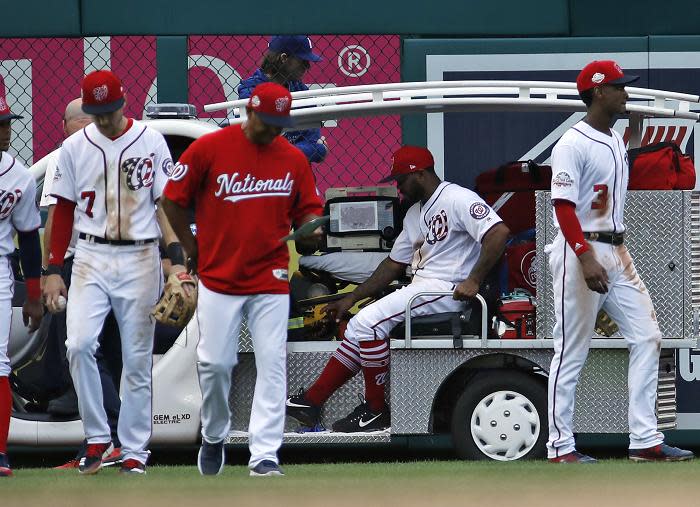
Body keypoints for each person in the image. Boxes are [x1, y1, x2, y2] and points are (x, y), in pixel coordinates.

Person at [161, 82, 324, 477]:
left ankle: (264, 454)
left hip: (270, 276)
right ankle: (215, 434)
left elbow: (308, 212)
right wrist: (189, 249)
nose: (274, 130)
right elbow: (172, 199)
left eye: (280, 124)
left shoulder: (291, 158)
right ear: (250, 113)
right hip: (219, 276)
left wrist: (310, 228)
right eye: (268, 122)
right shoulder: (211, 148)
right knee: (216, 363)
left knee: (272, 362)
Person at [286, 146, 510, 432]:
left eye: (401, 179)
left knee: (366, 324)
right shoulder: (415, 213)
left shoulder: (458, 198)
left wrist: (474, 280)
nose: (398, 186)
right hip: (424, 288)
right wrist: (351, 298)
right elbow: (392, 265)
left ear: (419, 174)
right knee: (357, 328)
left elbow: (498, 232)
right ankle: (312, 401)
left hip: (448, 290)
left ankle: (376, 411)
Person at [545, 60, 694, 463]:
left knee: (647, 336)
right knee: (571, 351)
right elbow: (562, 207)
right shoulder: (571, 143)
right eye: (618, 87)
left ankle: (645, 441)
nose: (625, 92)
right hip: (581, 250)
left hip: (616, 249)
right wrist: (584, 256)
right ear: (597, 93)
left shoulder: (611, 137)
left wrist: (638, 129)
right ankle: (560, 447)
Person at [43, 70, 180, 475]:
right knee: (79, 344)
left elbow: (165, 204)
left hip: (140, 257)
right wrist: (53, 268)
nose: (103, 118)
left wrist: (176, 259)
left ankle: (135, 450)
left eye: (109, 110)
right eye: (96, 111)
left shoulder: (151, 141)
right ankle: (98, 438)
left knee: (137, 359)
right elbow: (62, 209)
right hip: (89, 255)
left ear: (123, 102)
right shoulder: (73, 147)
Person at [0, 93, 44, 477]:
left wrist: (33, 295)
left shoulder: (19, 175)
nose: (4, 131)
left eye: (7, 123)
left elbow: (29, 237)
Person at [237, 35, 329, 164]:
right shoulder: (250, 90)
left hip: (294, 175)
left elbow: (314, 143)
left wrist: (316, 149)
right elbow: (257, 149)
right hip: (261, 179)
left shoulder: (300, 89)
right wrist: (313, 149)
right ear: (284, 58)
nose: (308, 66)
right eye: (302, 61)